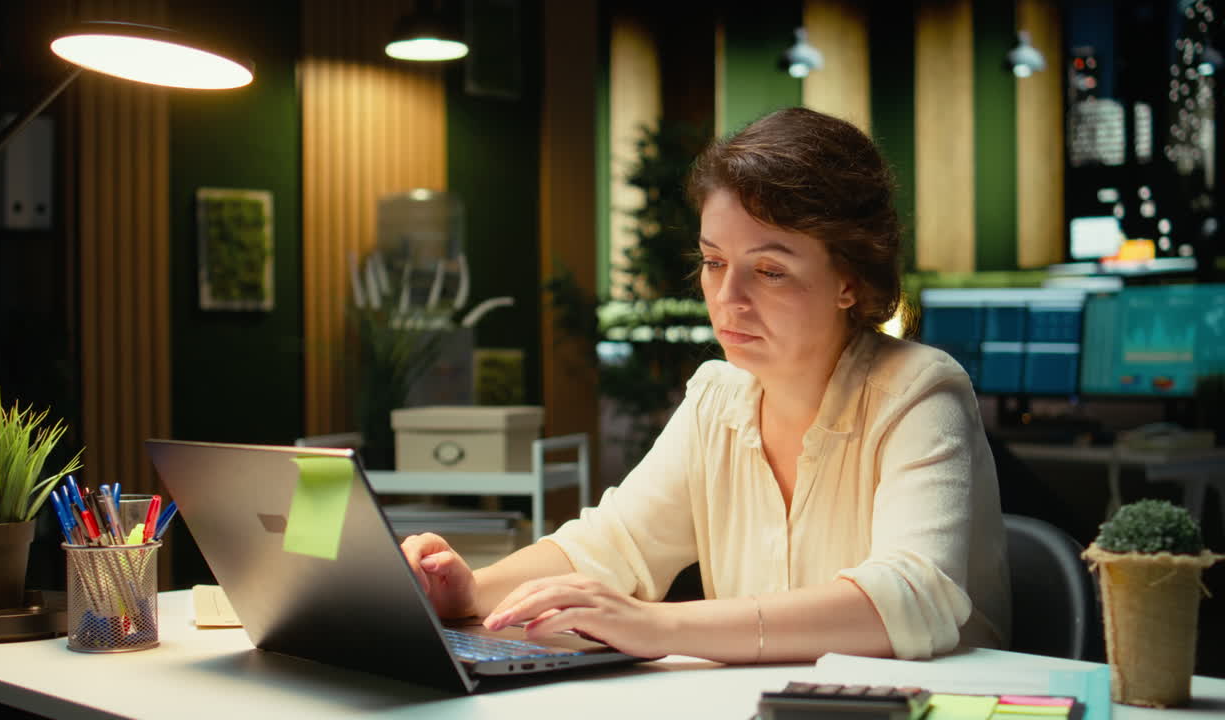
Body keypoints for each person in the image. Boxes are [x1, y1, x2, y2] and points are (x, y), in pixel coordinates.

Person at [401, 107, 1010, 664]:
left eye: (769, 270)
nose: (728, 298)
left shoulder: (920, 391)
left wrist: (657, 627)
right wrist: (470, 591)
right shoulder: (718, 396)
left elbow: (905, 599)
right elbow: (612, 545)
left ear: (849, 280)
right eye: (715, 262)